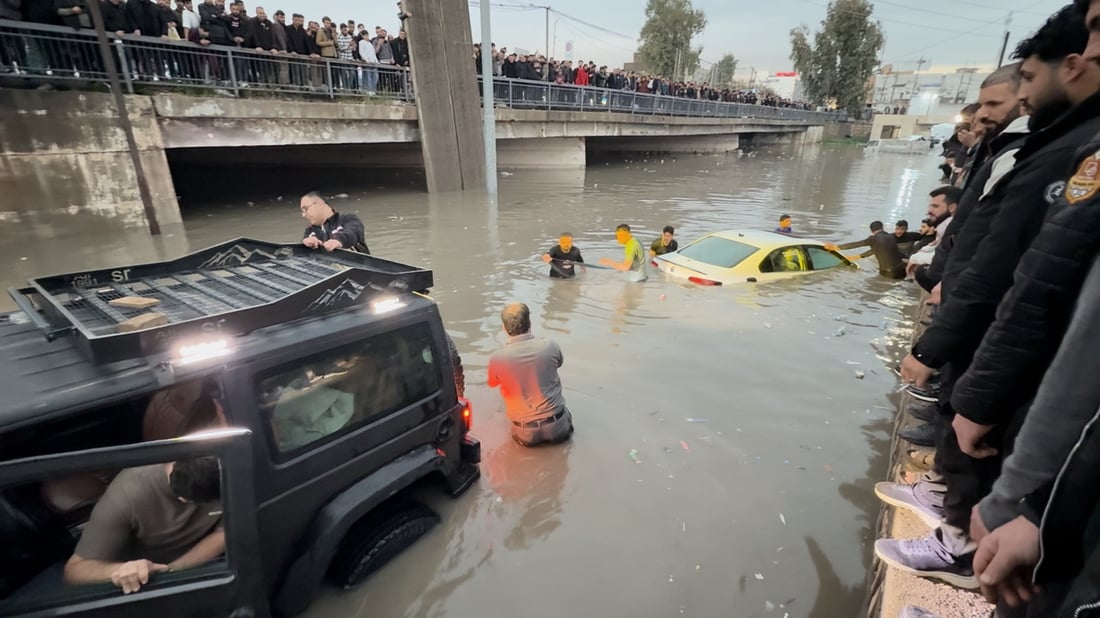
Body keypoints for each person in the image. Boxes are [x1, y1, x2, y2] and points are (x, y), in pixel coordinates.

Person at [883, 6, 1100, 593]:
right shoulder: (1046, 144)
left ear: (1071, 67)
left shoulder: (1063, 151)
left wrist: (951, 365)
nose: (986, 116)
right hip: (1006, 352)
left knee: (990, 468)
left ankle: (960, 547)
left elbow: (1028, 280)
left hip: (1028, 377)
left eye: (1020, 87)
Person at [63, 458, 223, 594]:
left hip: (210, 568)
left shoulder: (233, 462)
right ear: (183, 500)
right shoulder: (128, 494)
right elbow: (75, 571)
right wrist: (123, 571)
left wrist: (176, 569)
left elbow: (223, 532)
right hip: (150, 584)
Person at [487, 302, 574, 447]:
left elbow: (492, 383)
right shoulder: (550, 346)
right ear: (530, 323)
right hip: (557, 426)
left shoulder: (498, 358)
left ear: (504, 328)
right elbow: (559, 363)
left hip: (525, 433)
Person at [826, 221, 907, 279]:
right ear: (883, 228)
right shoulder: (891, 237)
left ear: (871, 231)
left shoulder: (873, 239)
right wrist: (859, 256)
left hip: (886, 273)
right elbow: (877, 249)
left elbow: (857, 244)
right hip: (901, 270)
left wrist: (836, 247)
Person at [299, 191, 369, 254]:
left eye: (306, 209)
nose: (304, 215)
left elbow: (354, 232)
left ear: (320, 204)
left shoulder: (348, 219)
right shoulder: (310, 231)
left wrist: (339, 241)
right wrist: (306, 244)